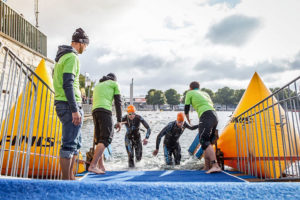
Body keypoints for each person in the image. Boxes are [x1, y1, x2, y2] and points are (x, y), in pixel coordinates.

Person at [53, 28, 89, 180]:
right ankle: (66, 180)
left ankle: (71, 177)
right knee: (69, 144)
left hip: (66, 103)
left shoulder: (62, 57)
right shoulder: (72, 57)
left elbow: (67, 82)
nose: (85, 48)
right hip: (69, 106)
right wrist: (74, 110)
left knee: (75, 143)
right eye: (86, 45)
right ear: (80, 43)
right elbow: (68, 83)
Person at [88, 73, 122, 174]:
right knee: (106, 138)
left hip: (95, 111)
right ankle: (93, 165)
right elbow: (118, 102)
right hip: (105, 111)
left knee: (99, 140)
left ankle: (101, 166)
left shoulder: (98, 85)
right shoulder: (114, 84)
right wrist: (119, 120)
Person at [184, 81, 221, 173]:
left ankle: (215, 165)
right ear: (199, 88)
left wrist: (188, 120)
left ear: (190, 87)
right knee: (206, 141)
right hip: (214, 115)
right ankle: (207, 166)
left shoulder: (189, 93)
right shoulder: (205, 93)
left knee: (204, 140)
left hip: (206, 116)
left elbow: (186, 108)